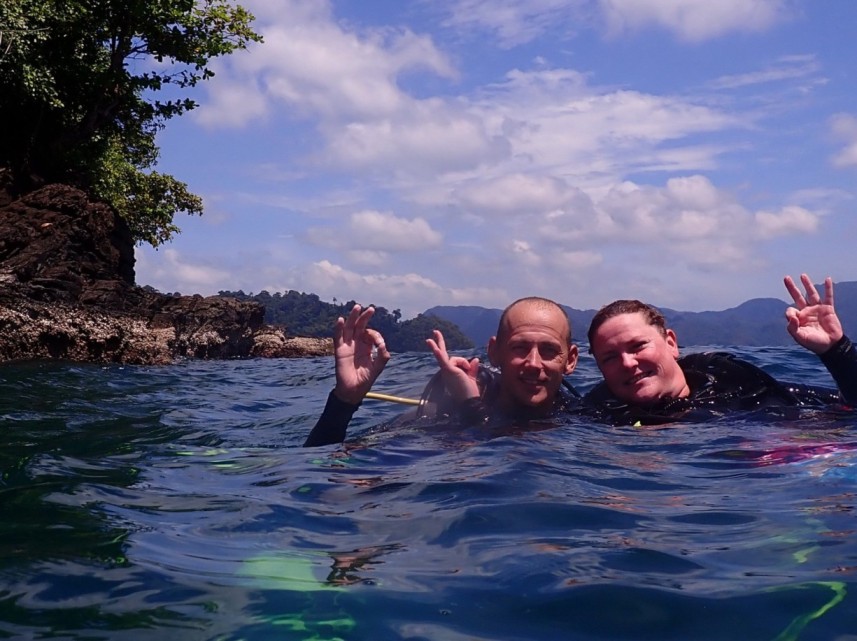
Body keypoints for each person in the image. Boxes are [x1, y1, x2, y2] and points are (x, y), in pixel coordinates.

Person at [582, 273, 857, 425]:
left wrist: (836, 350)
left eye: (638, 346)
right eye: (610, 358)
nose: (628, 363)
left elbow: (847, 408)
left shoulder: (727, 378)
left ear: (671, 343)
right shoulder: (601, 411)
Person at [303, 297, 580, 447]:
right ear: (494, 353)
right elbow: (326, 469)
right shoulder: (444, 420)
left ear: (570, 360)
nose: (533, 363)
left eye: (548, 350)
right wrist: (344, 401)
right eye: (520, 347)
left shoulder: (586, 419)